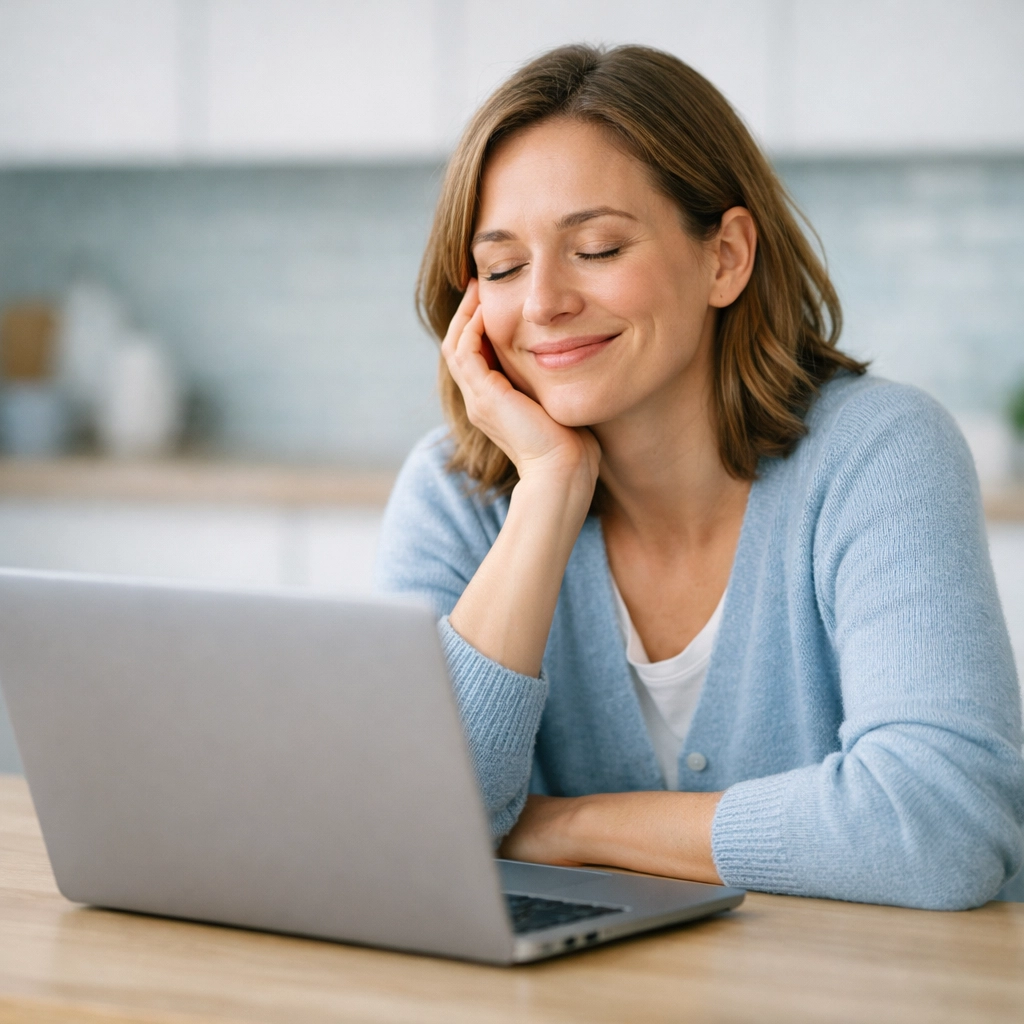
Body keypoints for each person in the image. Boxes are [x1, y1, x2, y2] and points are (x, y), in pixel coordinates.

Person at [375, 44, 1024, 908]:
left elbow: (943, 828)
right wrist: (549, 492)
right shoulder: (457, 495)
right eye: (502, 267)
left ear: (725, 257)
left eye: (597, 248)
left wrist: (565, 827)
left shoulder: (879, 452)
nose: (541, 304)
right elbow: (404, 827)